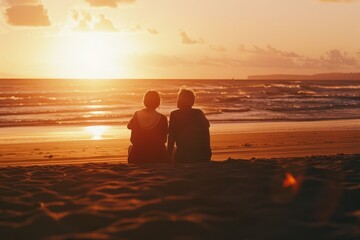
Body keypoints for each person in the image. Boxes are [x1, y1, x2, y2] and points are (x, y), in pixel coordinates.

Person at [168, 88, 212, 162]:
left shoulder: (174, 114)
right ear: (192, 101)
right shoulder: (199, 113)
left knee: (174, 152)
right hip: (199, 154)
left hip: (182, 155)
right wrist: (207, 152)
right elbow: (206, 135)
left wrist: (168, 155)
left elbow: (171, 137)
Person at [127, 90, 168, 164]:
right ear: (158, 102)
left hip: (139, 154)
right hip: (157, 155)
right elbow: (164, 139)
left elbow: (129, 126)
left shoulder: (137, 114)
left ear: (144, 101)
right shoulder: (162, 118)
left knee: (130, 147)